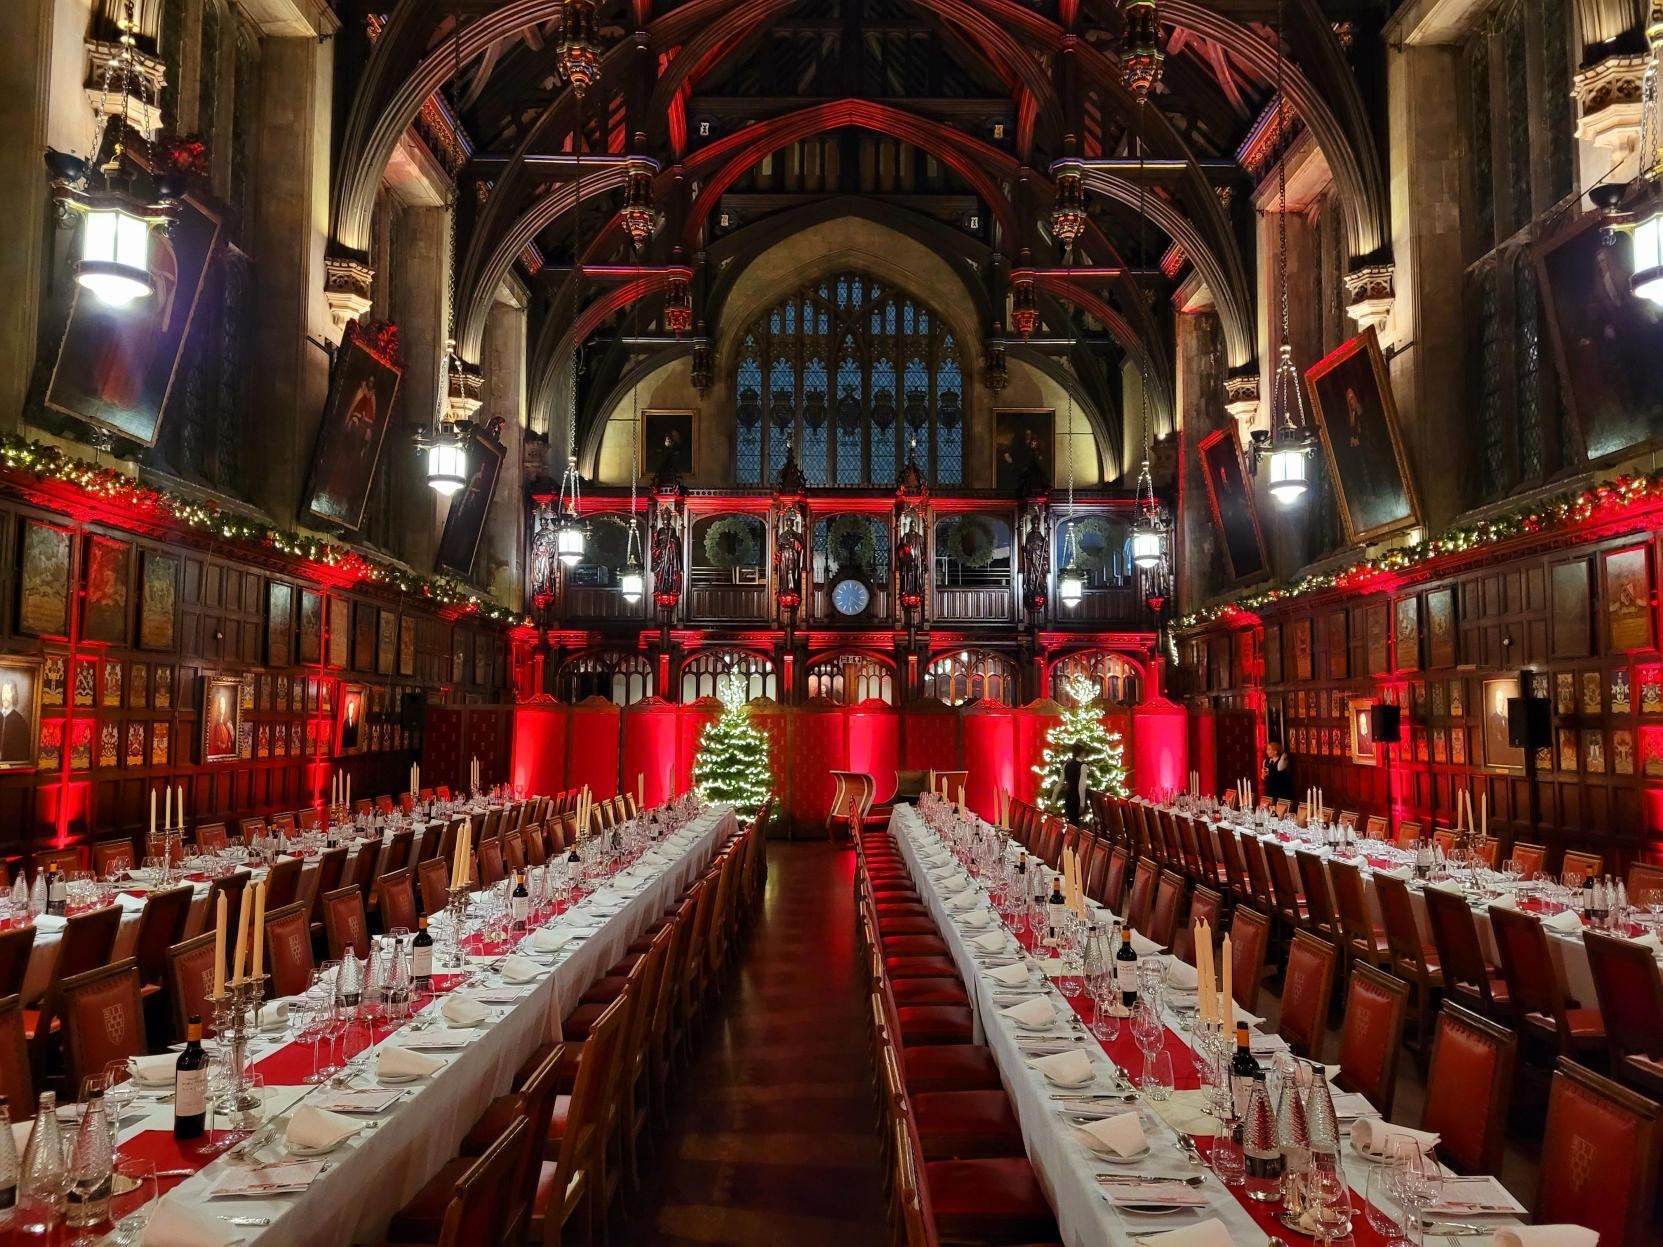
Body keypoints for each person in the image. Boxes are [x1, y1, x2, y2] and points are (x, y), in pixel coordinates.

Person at [1060, 744, 1088, 825]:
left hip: (1068, 795)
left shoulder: (1066, 765)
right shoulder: (1083, 766)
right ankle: (1075, 837)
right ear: (1082, 753)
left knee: (1071, 820)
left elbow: (1060, 782)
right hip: (1077, 797)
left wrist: (1053, 798)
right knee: (1076, 822)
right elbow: (1081, 787)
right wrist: (1082, 804)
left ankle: (1070, 837)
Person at [1262, 740, 1295, 804]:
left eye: (1269, 750)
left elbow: (1279, 772)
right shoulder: (1266, 761)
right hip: (1270, 791)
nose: (1267, 752)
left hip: (1281, 792)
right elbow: (1263, 778)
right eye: (1267, 750)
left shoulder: (1282, 761)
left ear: (1275, 751)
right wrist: (1263, 775)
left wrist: (1270, 773)